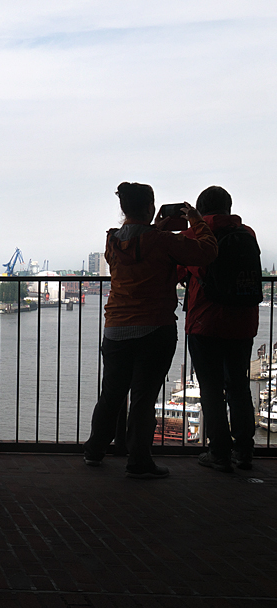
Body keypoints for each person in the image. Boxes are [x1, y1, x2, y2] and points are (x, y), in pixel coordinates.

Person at [83, 182, 217, 478]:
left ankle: (94, 451)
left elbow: (136, 248)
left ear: (123, 208)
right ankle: (139, 461)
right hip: (154, 329)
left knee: (111, 394)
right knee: (144, 398)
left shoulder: (112, 241)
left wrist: (155, 225)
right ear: (150, 207)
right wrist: (195, 219)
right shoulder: (163, 241)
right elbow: (207, 252)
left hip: (115, 329)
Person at [181, 186, 261, 471]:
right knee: (239, 386)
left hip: (206, 321)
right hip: (244, 320)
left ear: (200, 211)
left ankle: (219, 452)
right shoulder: (246, 233)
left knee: (211, 390)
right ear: (229, 207)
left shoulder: (194, 236)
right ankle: (245, 451)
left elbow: (178, 269)